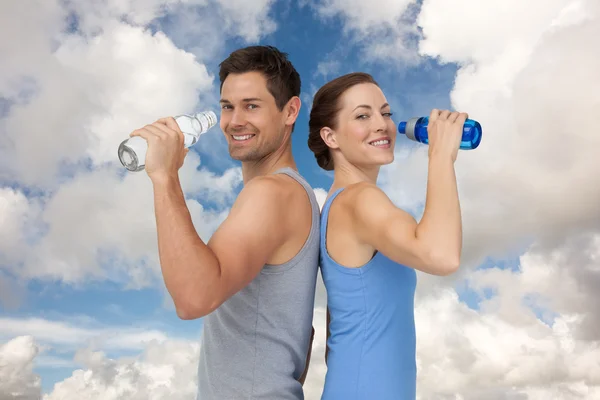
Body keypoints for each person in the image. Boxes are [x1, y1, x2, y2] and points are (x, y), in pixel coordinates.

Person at [130, 46, 319, 400]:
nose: (234, 121)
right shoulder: (292, 195)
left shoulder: (271, 193)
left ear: (290, 110)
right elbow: (303, 336)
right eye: (227, 106)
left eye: (252, 105)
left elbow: (193, 298)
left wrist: (165, 177)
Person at [307, 72, 465, 399]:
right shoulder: (359, 200)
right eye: (363, 115)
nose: (382, 124)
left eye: (386, 113)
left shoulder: (341, 204)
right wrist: (440, 156)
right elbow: (441, 255)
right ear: (330, 137)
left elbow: (335, 328)